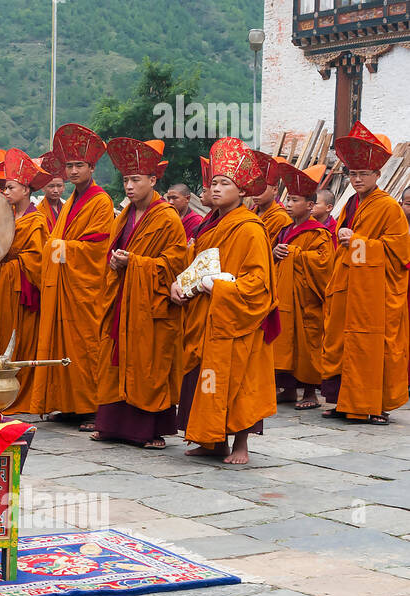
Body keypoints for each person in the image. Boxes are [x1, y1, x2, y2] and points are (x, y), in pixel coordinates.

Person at [172, 138, 278, 465]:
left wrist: (215, 286)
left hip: (237, 319)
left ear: (242, 190)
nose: (217, 189)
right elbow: (197, 262)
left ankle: (241, 444)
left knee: (240, 382)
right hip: (207, 315)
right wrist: (183, 283)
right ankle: (211, 441)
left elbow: (258, 283)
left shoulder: (250, 229)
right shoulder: (210, 225)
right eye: (214, 182)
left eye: (225, 183)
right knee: (205, 379)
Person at [92, 138, 190, 448]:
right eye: (125, 179)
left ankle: (149, 430)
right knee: (114, 359)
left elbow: (174, 264)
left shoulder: (167, 218)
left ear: (152, 180)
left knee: (149, 364)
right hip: (123, 299)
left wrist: (134, 262)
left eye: (136, 179)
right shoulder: (124, 215)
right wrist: (116, 261)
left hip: (151, 305)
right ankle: (110, 424)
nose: (130, 186)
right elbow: (111, 250)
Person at [28, 124, 116, 428]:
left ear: (92, 167)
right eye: (69, 165)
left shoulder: (100, 201)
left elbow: (96, 249)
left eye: (79, 165)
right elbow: (58, 239)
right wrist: (57, 246)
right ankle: (67, 403)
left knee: (85, 346)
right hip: (66, 285)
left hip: (84, 289)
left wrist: (57, 248)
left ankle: (91, 407)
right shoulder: (70, 204)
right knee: (63, 347)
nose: (74, 170)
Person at [322, 123, 409, 424]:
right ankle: (345, 401)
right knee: (345, 343)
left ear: (377, 175)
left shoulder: (388, 207)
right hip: (349, 287)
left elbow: (399, 251)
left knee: (375, 346)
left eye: (364, 174)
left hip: (375, 294)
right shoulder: (350, 203)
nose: (357, 179)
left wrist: (358, 242)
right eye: (353, 174)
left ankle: (374, 405)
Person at [0, 148, 50, 412]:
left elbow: (37, 259)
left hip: (21, 290)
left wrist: (11, 264)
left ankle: (20, 394)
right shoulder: (8, 218)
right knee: (0, 336)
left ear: (26, 189)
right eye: (5, 187)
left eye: (11, 187)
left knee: (19, 339)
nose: (6, 192)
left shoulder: (37, 221)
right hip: (4, 285)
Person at [271, 162, 333, 412]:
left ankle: (309, 392)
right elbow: (272, 257)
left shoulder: (319, 233)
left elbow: (325, 263)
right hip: (284, 295)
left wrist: (296, 253)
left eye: (294, 199)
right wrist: (275, 252)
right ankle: (287, 389)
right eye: (287, 199)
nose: (287, 203)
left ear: (309, 206)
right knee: (284, 340)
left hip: (306, 299)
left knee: (307, 343)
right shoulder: (285, 230)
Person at [253, 160, 291, 245]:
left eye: (262, 188)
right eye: (254, 187)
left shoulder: (281, 218)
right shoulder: (250, 212)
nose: (255, 192)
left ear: (275, 190)